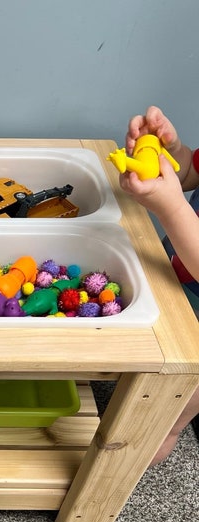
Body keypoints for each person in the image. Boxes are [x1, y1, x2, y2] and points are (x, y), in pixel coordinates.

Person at [119, 105, 199, 465]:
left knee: (178, 393)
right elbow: (188, 175)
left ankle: (167, 431)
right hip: (175, 271)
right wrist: (170, 150)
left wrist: (172, 209)